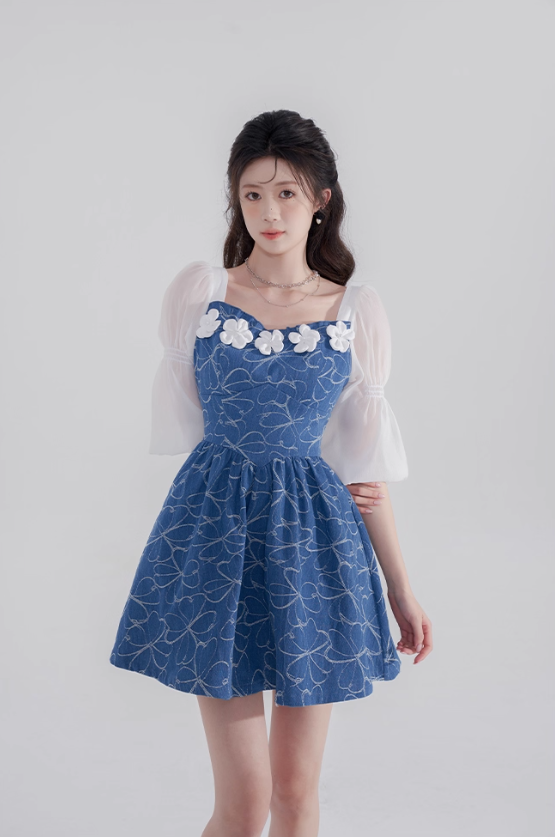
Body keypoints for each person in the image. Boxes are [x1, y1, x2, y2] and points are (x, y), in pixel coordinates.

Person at [109, 108, 433, 837]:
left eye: (286, 193)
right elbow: (198, 429)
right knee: (245, 798)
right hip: (215, 537)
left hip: (313, 547)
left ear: (321, 199)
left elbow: (363, 472)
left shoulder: (355, 311)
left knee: (293, 794)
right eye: (252, 195)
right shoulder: (201, 295)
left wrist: (401, 589)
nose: (269, 212)